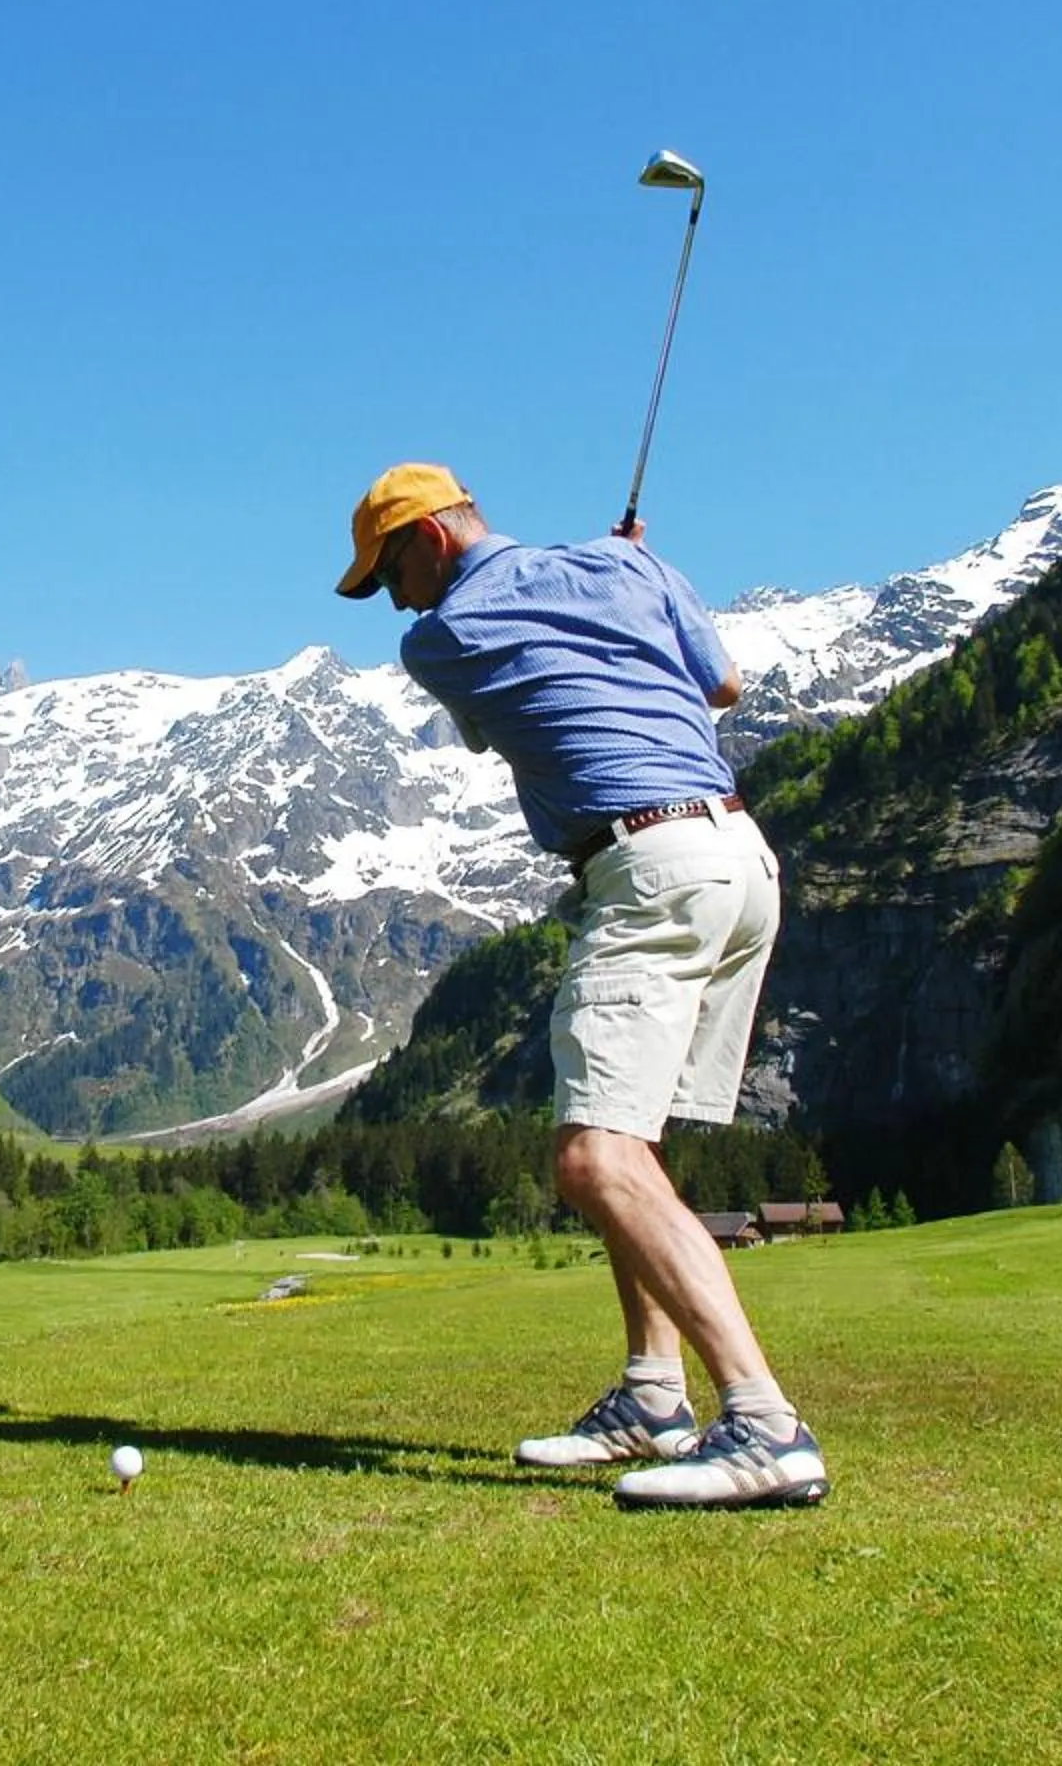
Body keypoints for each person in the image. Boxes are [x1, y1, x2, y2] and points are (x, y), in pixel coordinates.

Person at [335, 461, 825, 1510]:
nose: (397, 605)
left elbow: (524, 675)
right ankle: (655, 1394)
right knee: (632, 1142)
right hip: (742, 861)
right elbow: (721, 683)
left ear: (432, 539)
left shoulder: (443, 640)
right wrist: (639, 571)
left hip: (649, 868)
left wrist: (618, 571)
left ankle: (764, 1422)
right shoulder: (625, 568)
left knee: (592, 1157)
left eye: (390, 576)